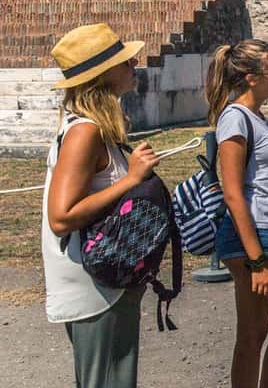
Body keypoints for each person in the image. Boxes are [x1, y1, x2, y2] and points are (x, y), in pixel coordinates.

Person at [41, 23, 157, 388]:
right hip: (95, 284)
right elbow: (61, 218)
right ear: (104, 74)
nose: (134, 64)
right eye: (124, 61)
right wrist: (131, 179)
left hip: (107, 278)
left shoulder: (94, 129)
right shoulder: (85, 131)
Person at [206, 39, 268, 388]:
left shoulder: (255, 117)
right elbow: (233, 192)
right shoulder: (234, 118)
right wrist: (257, 261)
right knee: (253, 334)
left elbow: (256, 174)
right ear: (251, 77)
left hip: (264, 231)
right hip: (250, 235)